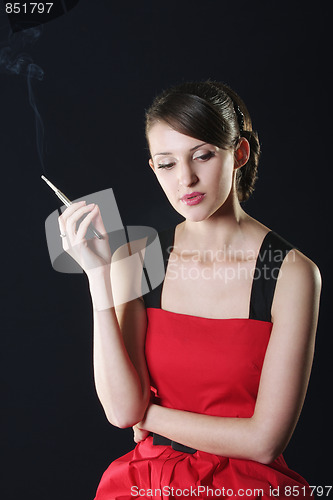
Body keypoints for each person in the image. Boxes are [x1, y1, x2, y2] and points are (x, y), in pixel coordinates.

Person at [58, 80, 321, 499]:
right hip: (143, 483)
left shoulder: (292, 273)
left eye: (202, 155)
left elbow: (265, 442)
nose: (186, 179)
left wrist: (154, 418)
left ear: (239, 153)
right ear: (153, 168)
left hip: (245, 487)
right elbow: (122, 410)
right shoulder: (139, 258)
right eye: (166, 164)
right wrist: (97, 276)